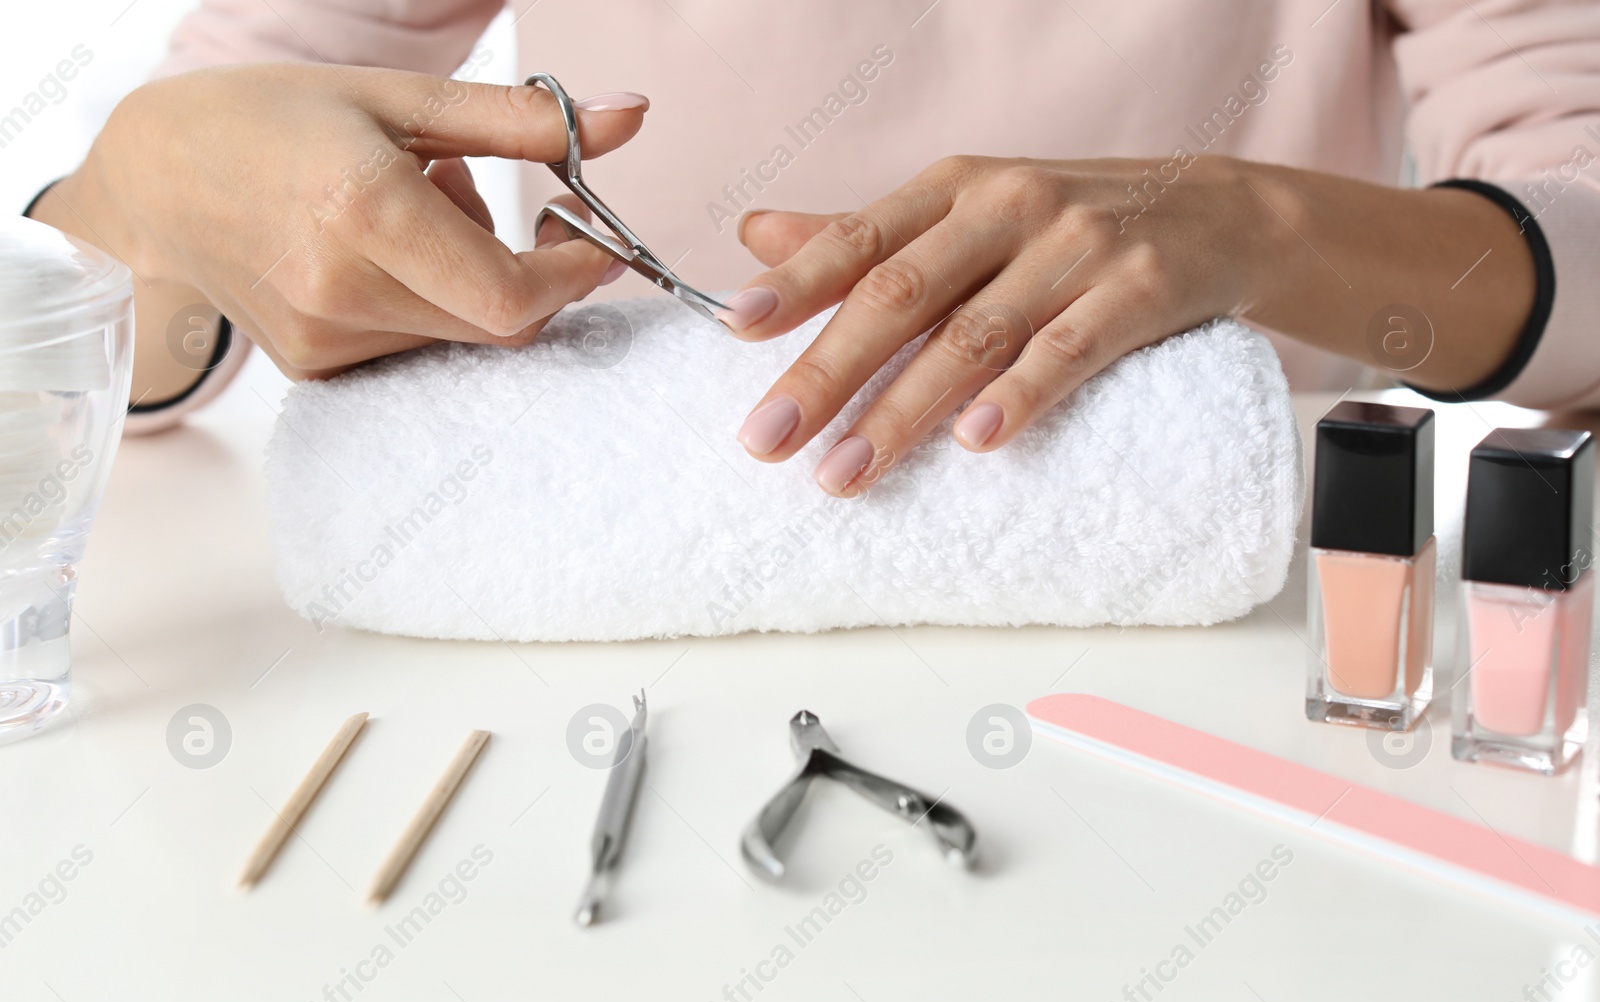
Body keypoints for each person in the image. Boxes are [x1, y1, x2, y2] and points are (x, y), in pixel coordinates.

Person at [26, 1, 1600, 497]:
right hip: (607, 669)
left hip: (1230, 691)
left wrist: (1263, 232)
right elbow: (131, 329)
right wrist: (147, 184)